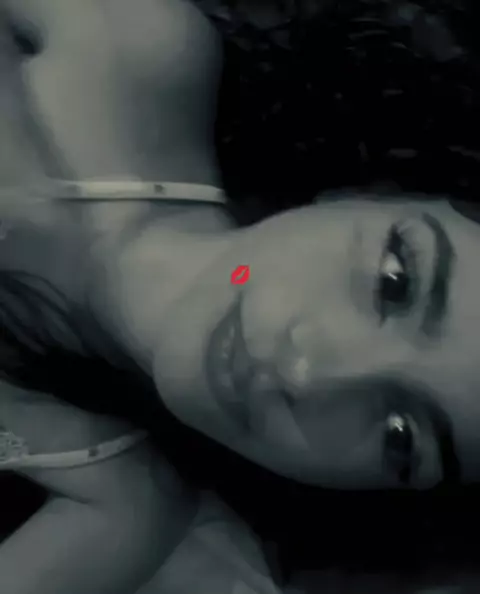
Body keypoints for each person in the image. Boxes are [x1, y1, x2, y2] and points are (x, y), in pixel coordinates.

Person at [2, 0, 480, 591]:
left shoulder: (124, 505)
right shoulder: (136, 53)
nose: (309, 375)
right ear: (374, 191)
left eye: (400, 437)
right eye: (395, 281)